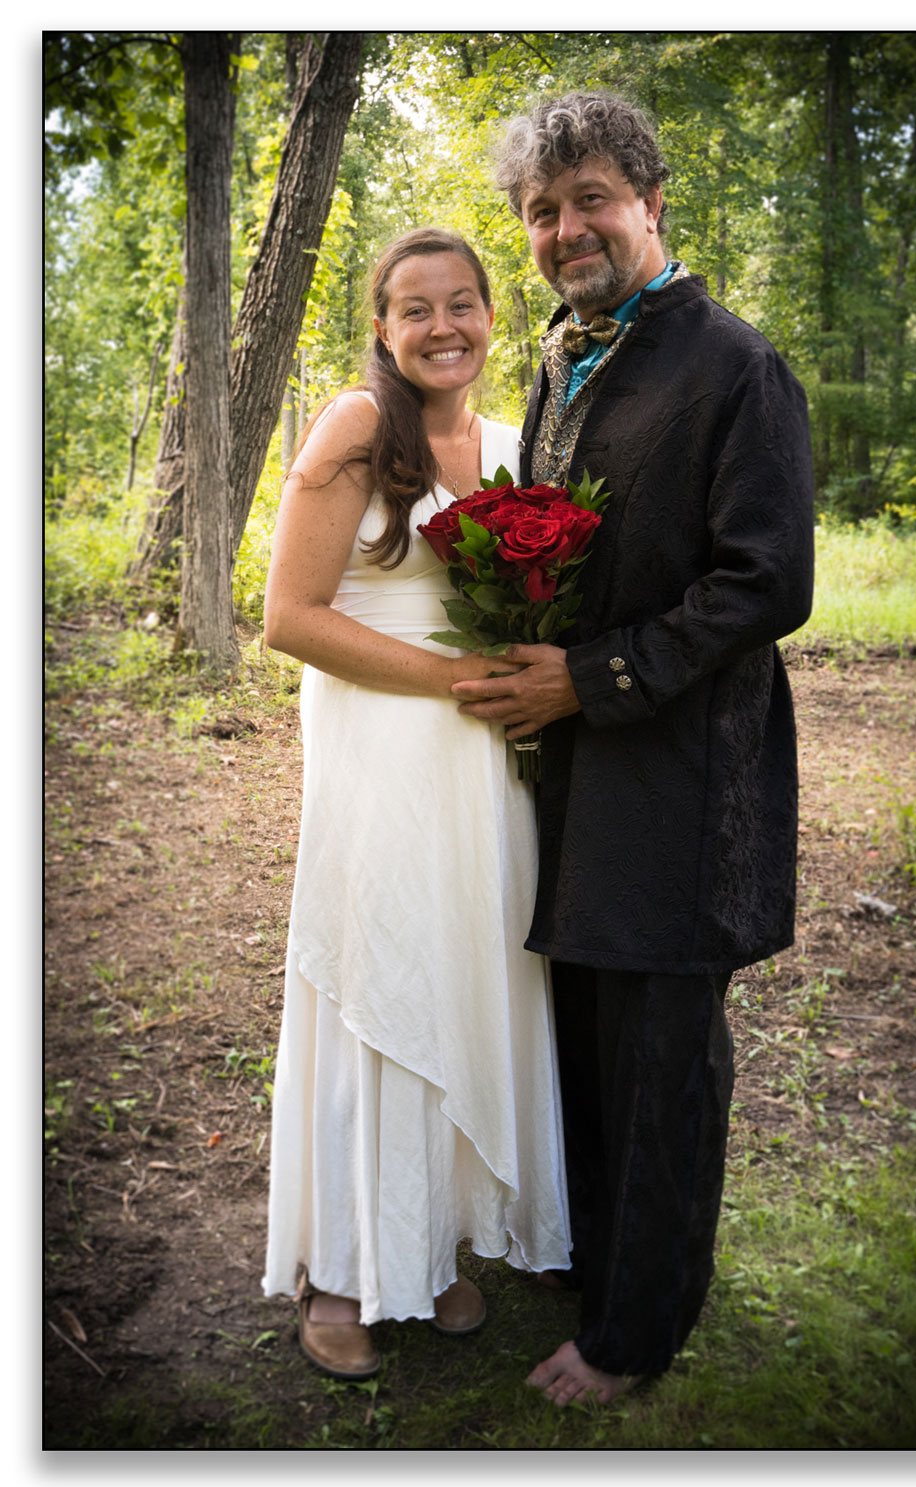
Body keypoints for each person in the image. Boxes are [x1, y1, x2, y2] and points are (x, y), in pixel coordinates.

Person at [452, 92, 815, 1406]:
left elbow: (764, 582)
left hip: (680, 773)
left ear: (650, 203)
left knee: (660, 1055)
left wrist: (592, 676)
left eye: (590, 199)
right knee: (582, 1043)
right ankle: (593, 1265)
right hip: (573, 774)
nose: (564, 229)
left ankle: (635, 1333)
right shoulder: (559, 360)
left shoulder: (729, 363)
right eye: (541, 212)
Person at [261, 227, 570, 1379]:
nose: (443, 327)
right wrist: (454, 678)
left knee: (454, 980)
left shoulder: (510, 444)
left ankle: (428, 1245)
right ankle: (341, 1269)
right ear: (383, 329)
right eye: (414, 309)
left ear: (494, 315)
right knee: (377, 982)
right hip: (384, 749)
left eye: (463, 304)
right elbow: (290, 617)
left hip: (482, 768)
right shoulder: (357, 428)